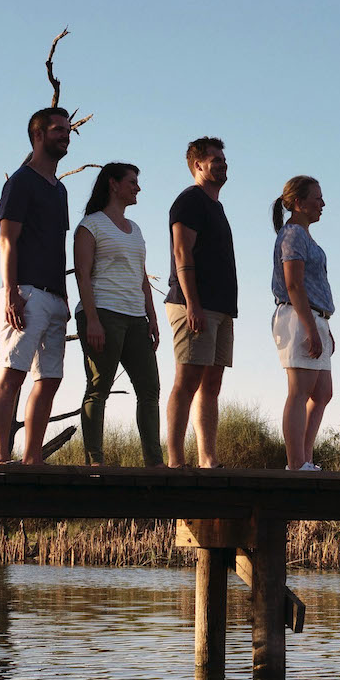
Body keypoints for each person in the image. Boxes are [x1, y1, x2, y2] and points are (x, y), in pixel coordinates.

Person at [0, 107, 72, 464]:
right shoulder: (21, 181)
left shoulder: (61, 189)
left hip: (54, 296)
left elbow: (57, 244)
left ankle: (32, 458)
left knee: (49, 378)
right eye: (57, 129)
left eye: (67, 130)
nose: (65, 135)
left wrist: (65, 297)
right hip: (25, 292)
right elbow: (7, 238)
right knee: (12, 373)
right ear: (38, 135)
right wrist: (11, 290)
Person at [73, 162, 163, 467]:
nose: (137, 187)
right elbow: (83, 276)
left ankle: (154, 462)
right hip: (103, 315)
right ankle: (94, 461)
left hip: (136, 318)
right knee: (98, 389)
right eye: (132, 181)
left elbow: (142, 277)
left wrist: (152, 317)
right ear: (113, 184)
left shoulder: (135, 230)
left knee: (149, 389)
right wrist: (93, 319)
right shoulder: (91, 225)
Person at [164, 137, 237, 468]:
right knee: (188, 379)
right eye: (215, 160)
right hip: (193, 304)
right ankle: (176, 461)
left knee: (212, 384)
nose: (222, 164)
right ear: (198, 165)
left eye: (223, 159)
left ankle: (208, 460)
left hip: (220, 307)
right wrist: (192, 303)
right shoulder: (189, 201)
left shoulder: (216, 206)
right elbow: (182, 252)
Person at [270, 176, 334, 470]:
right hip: (298, 317)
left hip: (315, 316)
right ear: (298, 202)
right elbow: (293, 284)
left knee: (322, 392)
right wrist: (310, 327)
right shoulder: (293, 235)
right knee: (299, 391)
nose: (322, 204)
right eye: (317, 198)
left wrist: (325, 328)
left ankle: (305, 458)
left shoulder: (305, 236)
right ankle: (296, 463)